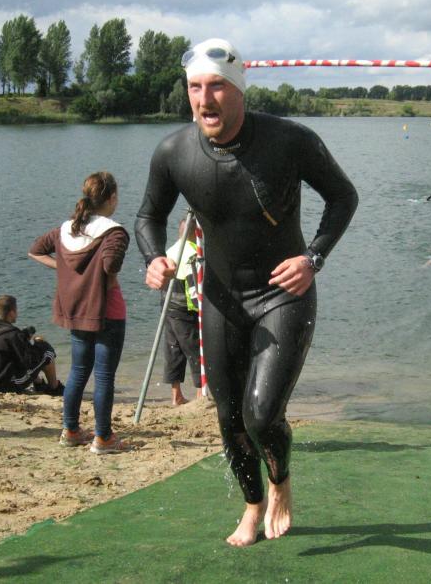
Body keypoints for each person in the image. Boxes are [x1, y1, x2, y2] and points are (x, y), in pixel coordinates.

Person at [135, 38, 358, 547]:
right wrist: (153, 259)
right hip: (221, 299)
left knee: (262, 414)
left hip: (283, 292)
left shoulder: (290, 140)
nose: (204, 99)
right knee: (229, 416)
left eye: (216, 86)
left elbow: (343, 197)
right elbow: (148, 215)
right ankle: (252, 505)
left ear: (239, 90)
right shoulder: (173, 152)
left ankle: (280, 481)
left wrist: (313, 259)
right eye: (195, 88)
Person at [29, 171, 131, 454]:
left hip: (76, 309)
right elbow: (110, 266)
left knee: (78, 371)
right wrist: (102, 276)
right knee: (104, 376)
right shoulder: (114, 231)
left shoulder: (66, 228)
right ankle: (103, 437)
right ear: (112, 198)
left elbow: (35, 250)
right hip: (107, 310)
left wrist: (63, 267)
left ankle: (71, 430)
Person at [0, 295, 63, 395]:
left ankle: (39, 383)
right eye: (16, 310)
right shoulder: (12, 334)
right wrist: (39, 343)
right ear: (12, 313)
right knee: (47, 352)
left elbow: (6, 345)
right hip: (1, 386)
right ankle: (54, 387)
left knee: (17, 357)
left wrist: (23, 339)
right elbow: (28, 362)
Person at [163, 219, 202, 405]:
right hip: (185, 310)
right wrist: (201, 309)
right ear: (196, 233)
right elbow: (194, 287)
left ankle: (176, 394)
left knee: (173, 350)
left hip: (167, 307)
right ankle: (201, 393)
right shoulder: (194, 253)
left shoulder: (170, 250)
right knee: (196, 350)